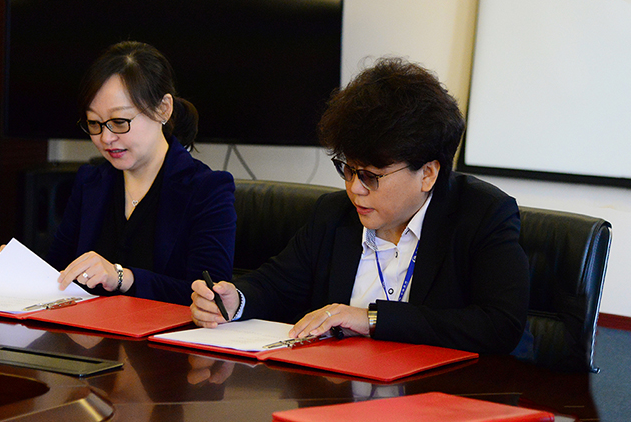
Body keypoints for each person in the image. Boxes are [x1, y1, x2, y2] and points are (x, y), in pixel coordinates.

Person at [190, 57, 530, 354]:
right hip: (338, 389)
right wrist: (236, 300)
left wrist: (372, 319)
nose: (354, 189)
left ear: (427, 174)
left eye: (371, 176)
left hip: (438, 394)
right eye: (349, 170)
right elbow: (275, 285)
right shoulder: (333, 214)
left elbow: (499, 325)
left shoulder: (483, 215)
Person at [47, 41, 236, 305]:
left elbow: (210, 295)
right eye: (94, 123)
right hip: (87, 329)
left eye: (119, 122)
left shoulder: (207, 189)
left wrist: (123, 278)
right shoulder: (91, 181)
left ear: (163, 109)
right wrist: (21, 268)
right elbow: (57, 270)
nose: (106, 138)